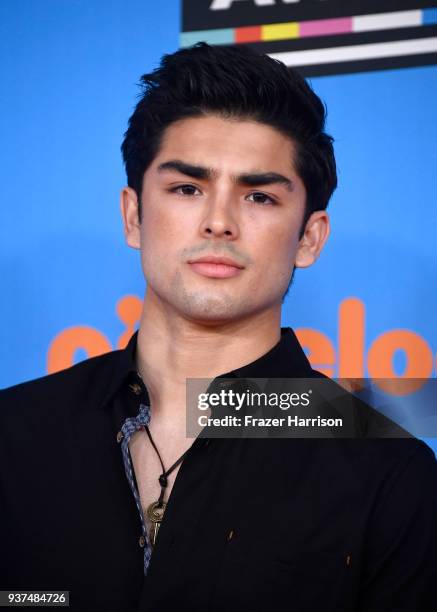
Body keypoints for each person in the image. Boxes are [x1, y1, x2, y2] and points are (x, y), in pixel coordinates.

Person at [1, 43, 436, 612]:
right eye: (187, 188)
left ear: (309, 237)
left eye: (258, 195)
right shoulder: (13, 434)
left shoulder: (389, 475)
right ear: (134, 215)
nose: (219, 221)